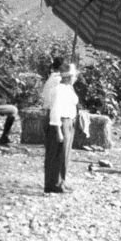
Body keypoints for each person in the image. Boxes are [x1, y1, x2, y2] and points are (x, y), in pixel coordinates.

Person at [44, 62, 80, 194]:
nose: (75, 78)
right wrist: (58, 131)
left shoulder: (68, 89)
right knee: (57, 154)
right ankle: (53, 184)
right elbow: (55, 111)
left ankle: (61, 182)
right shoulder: (58, 90)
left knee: (64, 155)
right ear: (69, 76)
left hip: (69, 121)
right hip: (60, 122)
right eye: (74, 75)